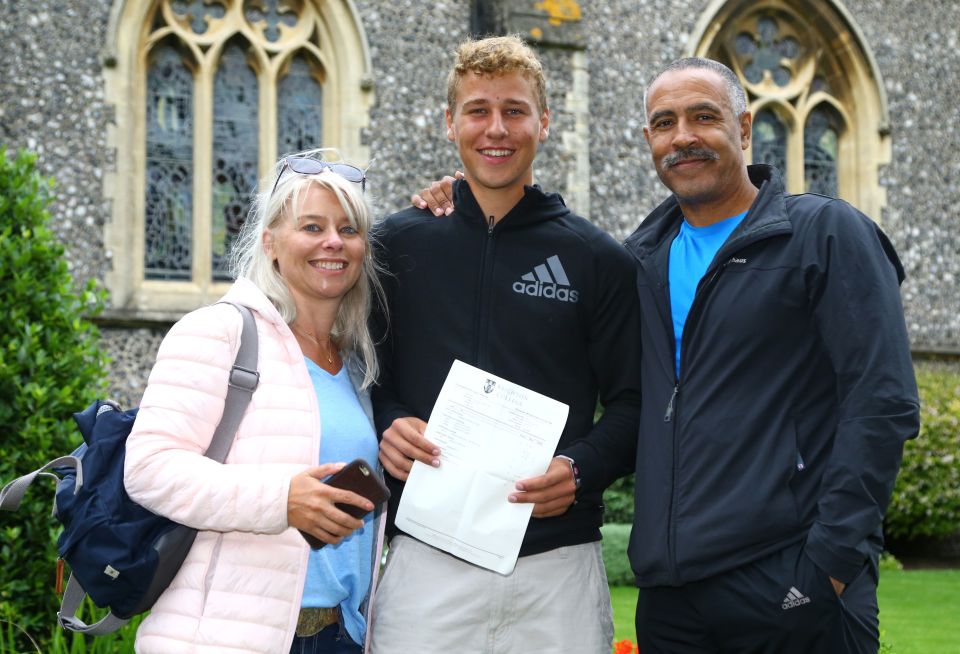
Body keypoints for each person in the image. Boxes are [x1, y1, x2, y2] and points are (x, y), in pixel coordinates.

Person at [414, 56, 920, 654]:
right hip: (672, 596)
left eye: (704, 117)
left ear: (744, 127)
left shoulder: (823, 234)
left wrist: (831, 563)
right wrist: (462, 199)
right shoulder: (639, 261)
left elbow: (881, 404)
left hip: (788, 577)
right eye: (665, 122)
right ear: (649, 139)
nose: (683, 136)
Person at [370, 35, 642, 653]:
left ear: (543, 122)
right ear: (450, 123)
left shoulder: (597, 259)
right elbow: (365, 376)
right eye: (478, 110)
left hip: (558, 565)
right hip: (427, 557)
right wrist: (388, 422)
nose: (497, 128)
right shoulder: (396, 247)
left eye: (515, 110)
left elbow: (637, 404)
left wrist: (580, 468)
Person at [123, 149, 388, 654]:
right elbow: (149, 468)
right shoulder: (218, 332)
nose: (333, 241)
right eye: (312, 226)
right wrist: (281, 500)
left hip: (341, 637)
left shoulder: (359, 366)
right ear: (269, 242)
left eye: (348, 229)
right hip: (227, 637)